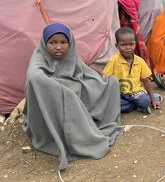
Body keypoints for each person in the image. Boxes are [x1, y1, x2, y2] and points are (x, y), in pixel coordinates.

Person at [24, 23, 123, 171]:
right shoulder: (39, 57)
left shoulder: (71, 57)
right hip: (55, 95)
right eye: (53, 42)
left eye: (63, 42)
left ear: (70, 43)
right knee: (68, 95)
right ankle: (78, 136)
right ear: (45, 43)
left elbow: (87, 74)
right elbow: (34, 75)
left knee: (111, 83)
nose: (58, 47)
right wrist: (58, 88)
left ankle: (90, 120)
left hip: (75, 89)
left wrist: (102, 83)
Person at [103, 27, 162, 114]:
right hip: (120, 94)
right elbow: (106, 79)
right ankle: (133, 106)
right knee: (113, 105)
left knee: (145, 101)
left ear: (135, 44)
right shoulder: (113, 60)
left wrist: (152, 99)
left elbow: (146, 81)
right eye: (123, 45)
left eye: (131, 44)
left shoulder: (140, 61)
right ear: (117, 46)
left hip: (136, 93)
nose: (128, 48)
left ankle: (151, 98)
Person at [117, 0, 149, 64]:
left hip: (134, 27)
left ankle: (141, 67)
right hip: (123, 26)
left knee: (138, 46)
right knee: (125, 46)